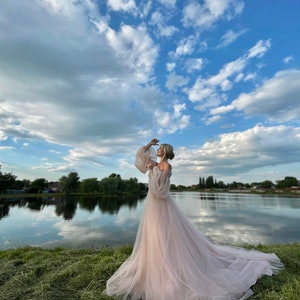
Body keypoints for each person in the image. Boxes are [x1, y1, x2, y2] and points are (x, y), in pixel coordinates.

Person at [104, 138, 283, 300]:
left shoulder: (166, 167)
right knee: (153, 233)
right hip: (152, 205)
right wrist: (149, 145)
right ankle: (154, 264)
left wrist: (154, 172)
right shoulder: (153, 163)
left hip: (162, 205)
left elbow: (161, 191)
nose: (156, 151)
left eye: (159, 149)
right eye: (156, 149)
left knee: (164, 233)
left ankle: (170, 266)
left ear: (165, 151)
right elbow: (139, 158)